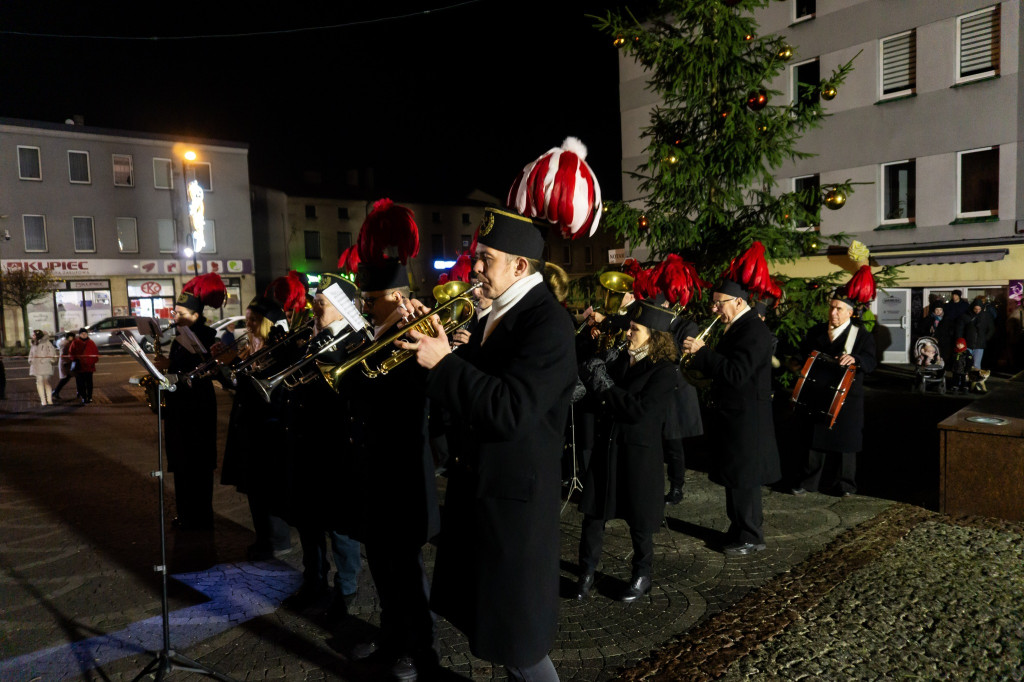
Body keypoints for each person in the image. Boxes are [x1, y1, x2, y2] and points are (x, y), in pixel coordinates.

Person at [401, 206, 579, 681]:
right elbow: (471, 394)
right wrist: (432, 346)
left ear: (520, 266)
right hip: (484, 492)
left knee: (519, 641)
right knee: (498, 631)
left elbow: (512, 409)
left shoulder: (548, 323)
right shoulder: (495, 314)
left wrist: (445, 364)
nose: (474, 268)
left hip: (515, 505)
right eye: (476, 256)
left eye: (485, 258)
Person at [339, 198, 439, 680]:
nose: (363, 306)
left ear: (395, 298)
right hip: (373, 476)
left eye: (370, 300)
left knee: (406, 575)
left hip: (401, 477)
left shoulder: (410, 337)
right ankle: (391, 638)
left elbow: (396, 400)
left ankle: (420, 653)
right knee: (383, 570)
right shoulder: (371, 337)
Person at [575, 301, 679, 602]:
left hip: (638, 452)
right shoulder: (621, 357)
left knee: (640, 519)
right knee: (594, 513)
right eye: (630, 327)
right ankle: (586, 572)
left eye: (635, 329)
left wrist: (606, 387)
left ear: (654, 336)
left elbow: (640, 411)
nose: (629, 333)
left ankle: (642, 574)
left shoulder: (664, 370)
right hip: (607, 445)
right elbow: (598, 394)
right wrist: (590, 379)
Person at [682, 242, 780, 556]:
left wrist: (704, 354)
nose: (714, 309)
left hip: (747, 419)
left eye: (718, 303)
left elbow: (736, 373)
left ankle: (751, 534)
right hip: (733, 416)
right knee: (735, 478)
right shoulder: (738, 327)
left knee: (744, 480)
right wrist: (698, 360)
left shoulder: (754, 332)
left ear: (738, 302)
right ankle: (739, 528)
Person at [277, 275, 364, 623]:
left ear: (343, 308)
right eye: (314, 302)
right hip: (305, 444)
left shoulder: (356, 343)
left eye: (321, 303)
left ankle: (346, 590)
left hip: (335, 447)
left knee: (339, 526)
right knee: (308, 520)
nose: (314, 308)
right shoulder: (311, 339)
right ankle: (313, 579)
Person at [791, 269, 878, 498]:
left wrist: (856, 359)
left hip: (847, 398)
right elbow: (803, 355)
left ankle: (845, 485)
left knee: (846, 444)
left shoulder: (861, 335)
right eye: (831, 307)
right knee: (814, 440)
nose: (833, 312)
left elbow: (871, 361)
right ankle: (808, 482)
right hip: (817, 393)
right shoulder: (816, 332)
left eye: (839, 308)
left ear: (850, 312)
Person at [220, 297, 293, 560]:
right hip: (248, 427)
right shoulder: (251, 347)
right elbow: (239, 384)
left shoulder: (278, 349)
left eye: (253, 319)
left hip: (267, 430)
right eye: (247, 318)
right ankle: (263, 537)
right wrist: (223, 368)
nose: (248, 324)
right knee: (253, 487)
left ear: (268, 322)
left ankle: (277, 539)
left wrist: (234, 373)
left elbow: (268, 391)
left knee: (269, 488)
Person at [162, 273, 224, 531]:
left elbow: (201, 371)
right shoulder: (179, 335)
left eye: (181, 313)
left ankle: (200, 515)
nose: (175, 317)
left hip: (197, 408)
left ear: (196, 315)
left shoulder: (207, 337)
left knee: (197, 465)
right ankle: (186, 513)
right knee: (180, 462)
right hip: (179, 407)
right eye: (175, 312)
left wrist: (170, 367)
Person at [960, 299, 995, 369]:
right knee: (967, 363)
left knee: (976, 364)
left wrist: (985, 338)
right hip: (968, 343)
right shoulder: (967, 316)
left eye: (979, 309)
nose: (977, 311)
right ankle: (967, 378)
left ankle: (975, 379)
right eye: (976, 309)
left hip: (979, 344)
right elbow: (961, 329)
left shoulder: (986, 316)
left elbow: (991, 329)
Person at [68, 328, 99, 404]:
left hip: (89, 366)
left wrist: (92, 362)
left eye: (85, 333)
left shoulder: (91, 342)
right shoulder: (75, 342)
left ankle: (90, 396)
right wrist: (75, 359)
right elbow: (71, 353)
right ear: (80, 334)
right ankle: (84, 397)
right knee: (81, 383)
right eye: (82, 334)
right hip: (80, 366)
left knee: (89, 383)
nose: (84, 335)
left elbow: (96, 353)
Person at [28, 330, 58, 406]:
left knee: (46, 382)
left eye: (34, 335)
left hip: (45, 365)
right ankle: (43, 400)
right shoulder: (33, 344)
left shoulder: (47, 343)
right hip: (36, 366)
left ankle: (49, 399)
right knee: (39, 382)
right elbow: (31, 353)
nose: (32, 336)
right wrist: (30, 360)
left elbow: (51, 353)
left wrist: (43, 360)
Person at [51, 332, 75, 400]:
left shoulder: (66, 342)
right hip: (66, 362)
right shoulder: (65, 343)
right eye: (70, 337)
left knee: (67, 377)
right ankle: (55, 391)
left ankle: (56, 391)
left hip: (67, 361)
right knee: (65, 377)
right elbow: (65, 353)